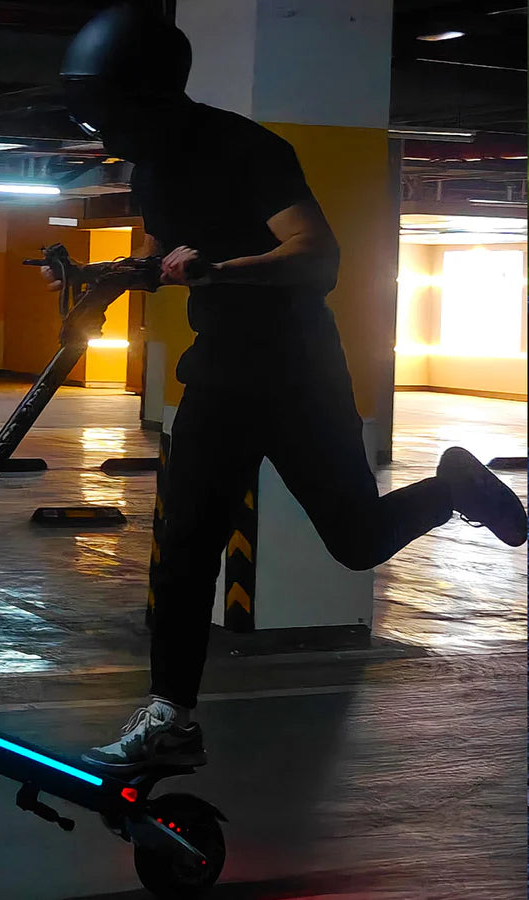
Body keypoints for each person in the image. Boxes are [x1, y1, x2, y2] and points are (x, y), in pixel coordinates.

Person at [42, 3, 528, 774]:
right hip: (220, 372)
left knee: (356, 539)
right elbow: (169, 250)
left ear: (150, 97)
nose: (105, 134)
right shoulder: (151, 167)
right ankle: (172, 715)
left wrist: (220, 271)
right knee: (181, 550)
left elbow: (318, 255)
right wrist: (116, 275)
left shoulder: (247, 148)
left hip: (298, 374)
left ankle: (451, 489)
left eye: (110, 115)